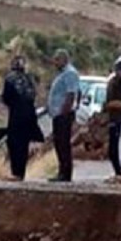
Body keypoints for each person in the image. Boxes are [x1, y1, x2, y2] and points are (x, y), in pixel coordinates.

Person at [0, 54, 43, 180]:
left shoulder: (10, 79)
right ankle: (21, 173)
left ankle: (15, 172)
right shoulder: (29, 79)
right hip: (30, 115)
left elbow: (6, 98)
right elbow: (33, 95)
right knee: (24, 144)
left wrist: (13, 105)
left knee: (14, 143)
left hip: (16, 115)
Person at [46, 48, 81, 182]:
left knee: (63, 143)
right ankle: (62, 171)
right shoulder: (63, 73)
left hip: (63, 115)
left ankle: (65, 173)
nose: (55, 63)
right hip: (58, 114)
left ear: (63, 60)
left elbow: (71, 94)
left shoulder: (70, 73)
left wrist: (63, 111)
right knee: (59, 143)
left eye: (57, 60)